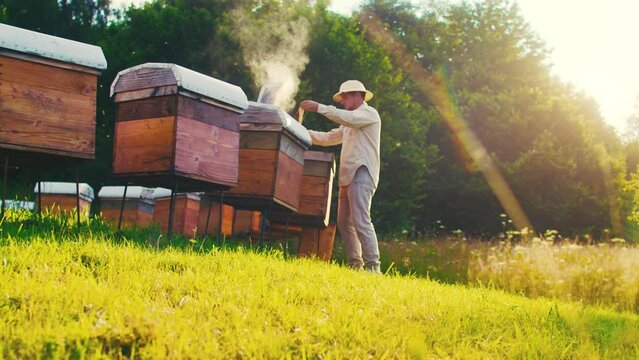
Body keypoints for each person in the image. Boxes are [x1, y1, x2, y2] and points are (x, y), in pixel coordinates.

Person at [300, 80, 381, 273]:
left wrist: (319, 108)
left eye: (344, 97)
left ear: (357, 95)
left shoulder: (369, 114)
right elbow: (329, 138)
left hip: (362, 173)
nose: (342, 101)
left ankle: (373, 268)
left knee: (361, 220)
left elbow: (347, 118)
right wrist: (300, 131)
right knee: (345, 223)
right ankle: (356, 266)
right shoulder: (349, 122)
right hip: (348, 176)